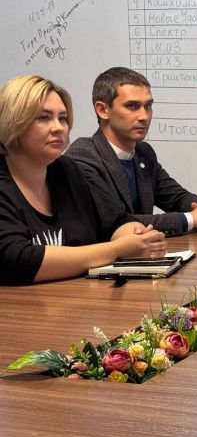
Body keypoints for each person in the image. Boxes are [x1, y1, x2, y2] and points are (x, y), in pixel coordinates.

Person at [0, 75, 167, 285]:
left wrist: (140, 237)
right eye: (44, 118)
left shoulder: (70, 170)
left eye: (62, 118)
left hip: (78, 300)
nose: (59, 127)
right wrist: (117, 250)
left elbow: (117, 221)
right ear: (12, 123)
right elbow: (16, 260)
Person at [65, 67, 197, 237]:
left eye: (148, 106)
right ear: (103, 110)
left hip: (146, 251)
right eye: (132, 106)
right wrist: (191, 219)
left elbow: (175, 196)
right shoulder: (84, 155)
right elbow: (116, 222)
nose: (144, 116)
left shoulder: (143, 153)